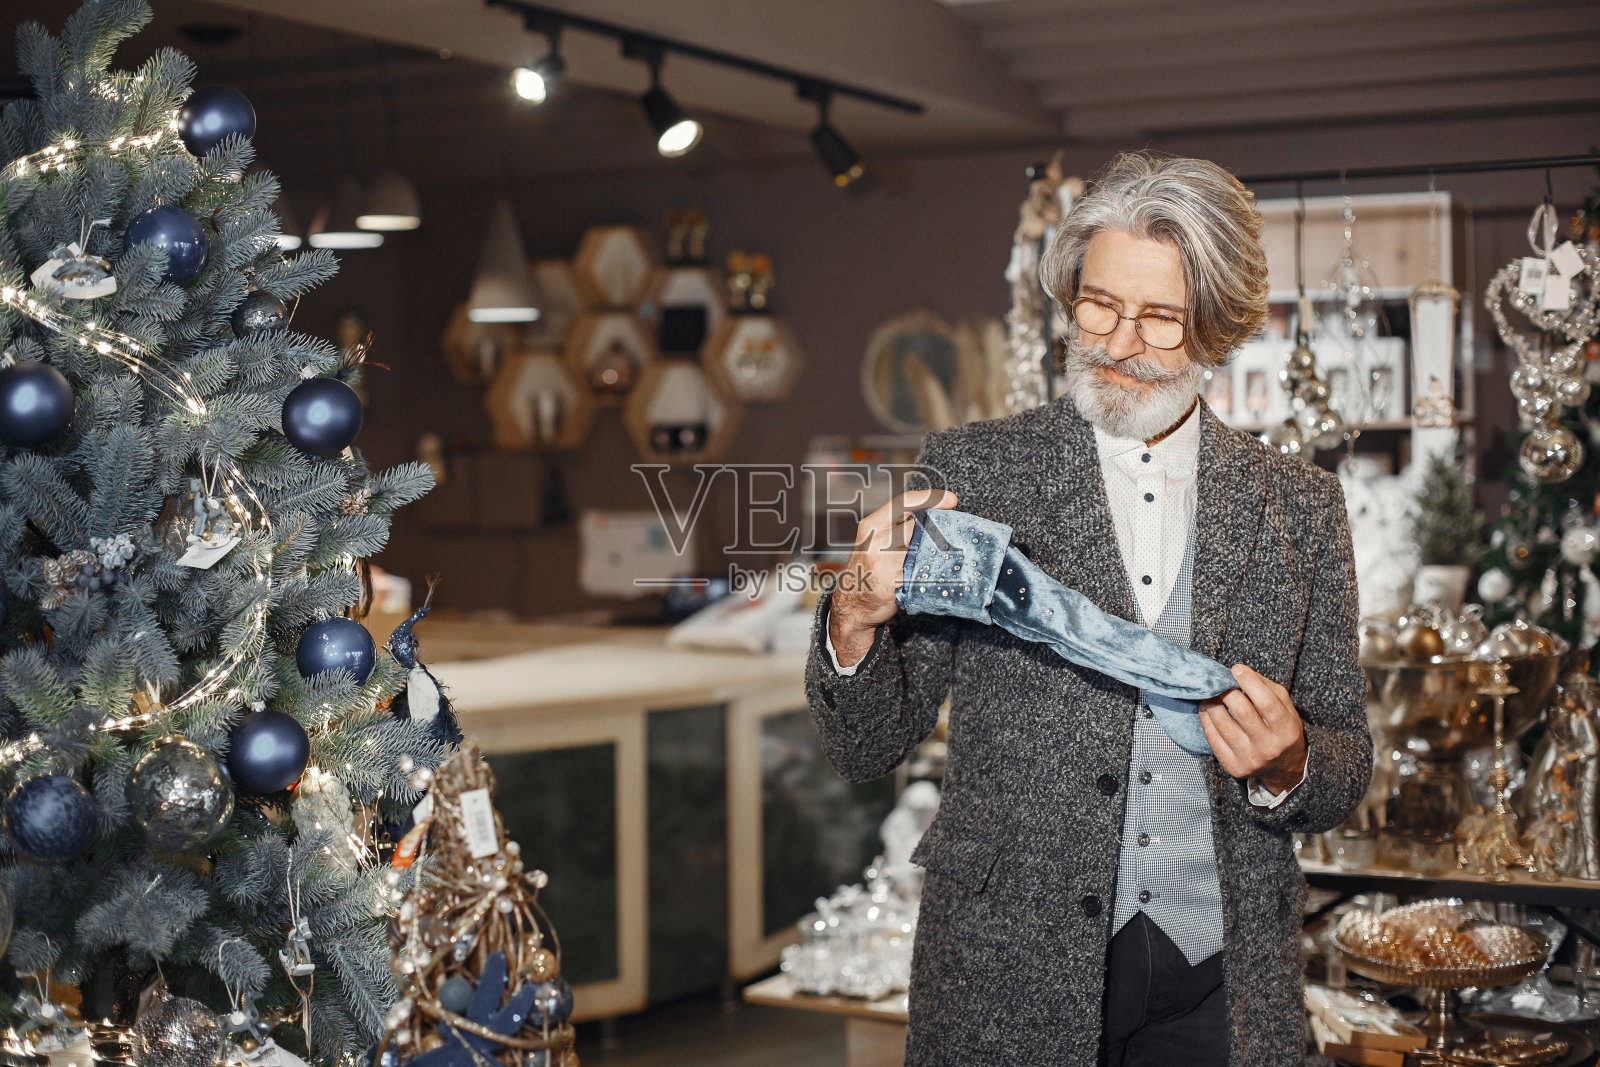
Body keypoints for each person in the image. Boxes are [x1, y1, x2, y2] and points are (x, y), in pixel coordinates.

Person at [805, 152, 1372, 1067]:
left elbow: (1345, 758)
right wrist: (852, 620)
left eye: (1160, 318)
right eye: (1097, 304)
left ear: (1217, 329)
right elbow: (865, 744)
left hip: (1219, 979)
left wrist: (1292, 759)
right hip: (1004, 972)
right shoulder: (979, 472)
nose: (1118, 341)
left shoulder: (1298, 507)